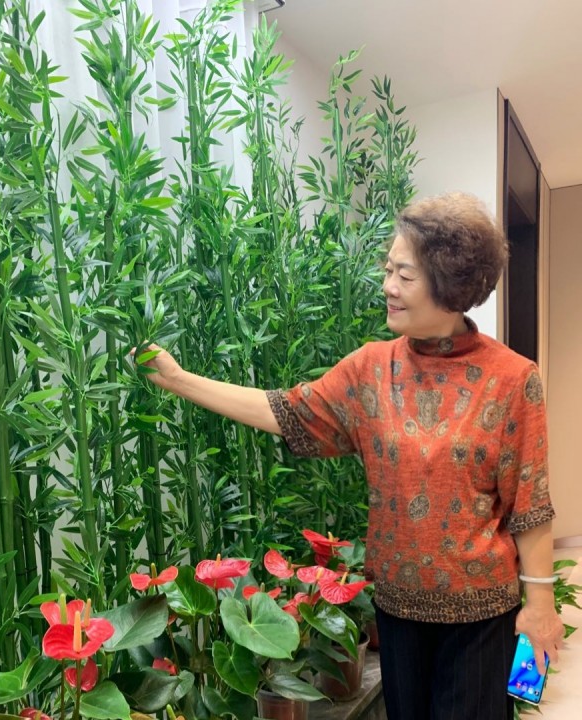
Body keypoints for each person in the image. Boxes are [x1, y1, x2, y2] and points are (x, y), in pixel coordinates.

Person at [135, 192, 565, 720]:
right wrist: (179, 380)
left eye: (404, 275)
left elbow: (530, 504)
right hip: (398, 613)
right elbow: (287, 411)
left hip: (481, 619)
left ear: (450, 284)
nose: (388, 286)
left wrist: (540, 605)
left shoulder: (513, 378)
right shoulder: (370, 369)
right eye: (388, 270)